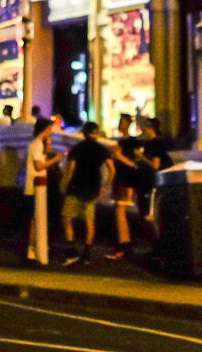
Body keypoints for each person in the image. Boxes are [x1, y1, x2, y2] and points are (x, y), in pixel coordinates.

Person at [59, 122, 114, 266]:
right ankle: (87, 253)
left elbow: (71, 169)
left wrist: (64, 184)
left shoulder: (78, 148)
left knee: (67, 218)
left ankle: (71, 249)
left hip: (75, 188)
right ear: (96, 133)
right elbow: (112, 170)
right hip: (93, 189)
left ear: (84, 133)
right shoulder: (101, 149)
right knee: (89, 222)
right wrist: (104, 187)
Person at [22, 116, 61, 265]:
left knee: (36, 219)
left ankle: (35, 249)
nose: (51, 131)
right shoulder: (37, 144)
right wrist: (55, 160)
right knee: (34, 220)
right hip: (35, 187)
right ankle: (32, 251)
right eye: (50, 128)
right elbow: (39, 166)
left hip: (38, 187)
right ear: (45, 129)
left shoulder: (38, 144)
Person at [107, 113, 141, 260]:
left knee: (121, 212)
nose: (120, 125)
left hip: (127, 181)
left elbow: (135, 164)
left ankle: (124, 245)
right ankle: (123, 244)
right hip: (120, 180)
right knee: (119, 212)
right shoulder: (119, 142)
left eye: (122, 122)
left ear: (127, 123)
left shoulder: (132, 142)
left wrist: (119, 156)